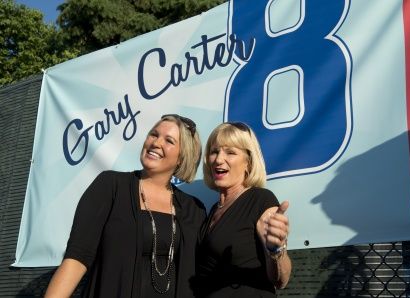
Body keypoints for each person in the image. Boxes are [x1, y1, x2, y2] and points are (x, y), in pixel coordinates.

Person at [45, 114, 206, 298]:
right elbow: (77, 257)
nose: (156, 143)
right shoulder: (110, 186)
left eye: (169, 140)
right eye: (153, 134)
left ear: (182, 157)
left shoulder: (194, 210)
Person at [194, 122, 292, 297]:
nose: (218, 159)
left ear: (248, 162)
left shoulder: (261, 199)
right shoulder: (213, 210)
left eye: (230, 152)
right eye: (214, 151)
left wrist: (276, 250)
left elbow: (281, 280)